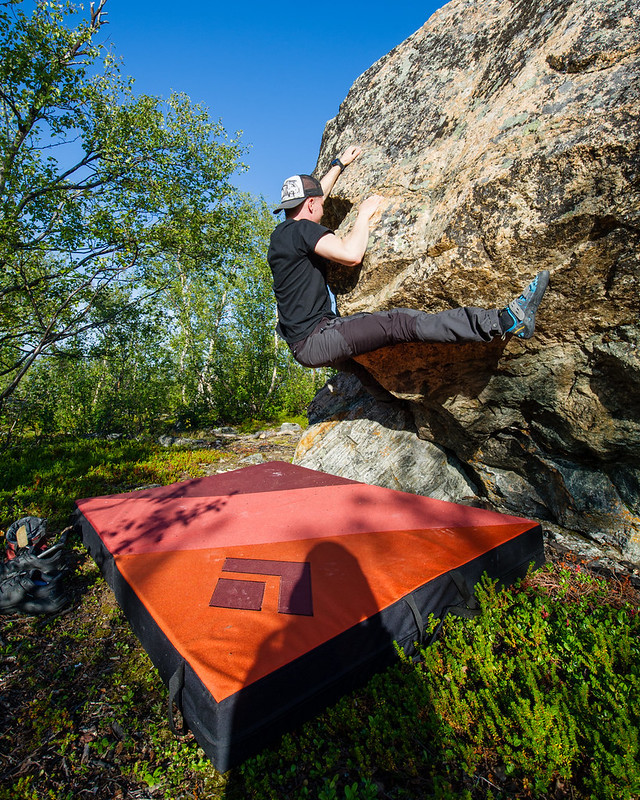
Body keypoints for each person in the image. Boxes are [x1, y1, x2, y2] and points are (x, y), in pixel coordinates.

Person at [267, 145, 549, 401]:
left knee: (363, 367)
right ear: (311, 205)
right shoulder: (302, 230)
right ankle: (506, 321)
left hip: (303, 346)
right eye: (319, 203)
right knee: (399, 324)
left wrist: (339, 165)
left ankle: (392, 407)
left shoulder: (282, 236)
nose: (323, 206)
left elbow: (318, 196)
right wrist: (363, 215)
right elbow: (351, 255)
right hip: (318, 338)